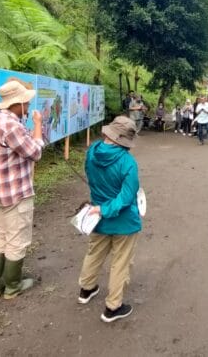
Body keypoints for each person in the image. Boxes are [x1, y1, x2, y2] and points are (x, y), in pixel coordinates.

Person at [0, 80, 45, 300]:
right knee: (17, 238)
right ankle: (12, 286)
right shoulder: (12, 125)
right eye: (26, 102)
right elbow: (35, 152)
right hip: (16, 193)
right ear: (16, 103)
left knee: (0, 234)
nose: (28, 106)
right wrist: (38, 125)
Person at [77, 116, 142, 323]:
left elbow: (89, 176)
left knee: (94, 253)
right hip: (122, 221)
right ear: (125, 139)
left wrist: (99, 207)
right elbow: (127, 196)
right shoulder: (127, 162)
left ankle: (86, 289)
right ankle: (113, 307)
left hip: (97, 216)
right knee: (120, 263)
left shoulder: (93, 151)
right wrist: (105, 209)